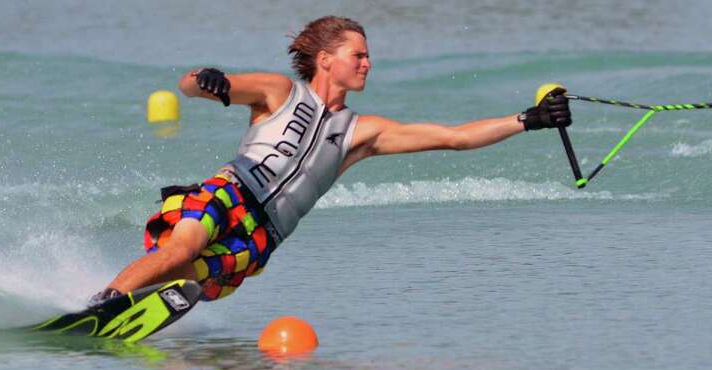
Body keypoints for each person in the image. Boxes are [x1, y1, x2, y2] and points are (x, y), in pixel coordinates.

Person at [89, 16, 571, 307]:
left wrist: (527, 119)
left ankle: (130, 312)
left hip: (265, 236)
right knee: (180, 251)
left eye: (368, 56)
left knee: (190, 276)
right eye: (357, 55)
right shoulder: (279, 91)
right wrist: (204, 80)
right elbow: (190, 85)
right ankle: (102, 304)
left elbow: (454, 138)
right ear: (324, 59)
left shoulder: (363, 134)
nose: (367, 63)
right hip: (230, 193)